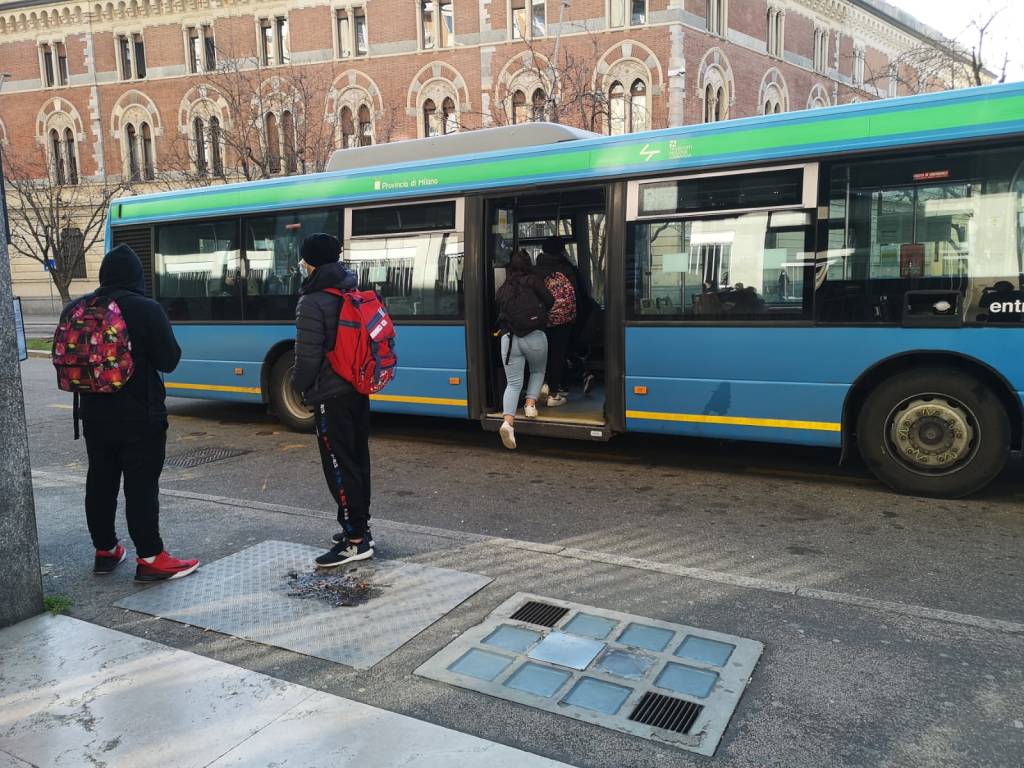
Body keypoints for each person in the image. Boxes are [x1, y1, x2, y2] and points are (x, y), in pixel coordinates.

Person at [71, 244, 200, 581]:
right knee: (141, 487)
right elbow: (169, 360)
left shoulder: (78, 307)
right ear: (137, 277)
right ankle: (151, 557)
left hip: (94, 415)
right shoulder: (146, 309)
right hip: (140, 416)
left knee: (100, 480)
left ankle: (106, 550)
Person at [293, 233, 375, 567]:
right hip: (357, 388)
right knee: (357, 460)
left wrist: (300, 387)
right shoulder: (351, 289)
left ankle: (355, 541)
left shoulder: (312, 302)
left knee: (339, 466)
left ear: (310, 262)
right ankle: (359, 527)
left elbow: (307, 358)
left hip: (329, 394)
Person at [495, 249, 554, 449]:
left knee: (512, 384)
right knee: (537, 371)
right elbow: (550, 301)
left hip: (509, 340)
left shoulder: (503, 288)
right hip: (535, 336)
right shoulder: (533, 280)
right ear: (529, 264)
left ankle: (508, 423)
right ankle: (530, 405)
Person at [534, 236, 578, 407]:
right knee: (558, 354)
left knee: (541, 354)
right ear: (562, 250)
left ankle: (542, 384)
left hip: (540, 319)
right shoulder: (567, 269)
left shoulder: (535, 270)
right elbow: (577, 296)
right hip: (564, 320)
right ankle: (554, 390)